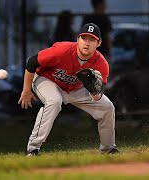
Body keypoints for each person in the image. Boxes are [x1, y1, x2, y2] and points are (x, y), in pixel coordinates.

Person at [18, 23, 119, 156]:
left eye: (92, 39)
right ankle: (32, 148)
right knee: (54, 101)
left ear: (99, 43)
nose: (87, 43)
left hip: (75, 89)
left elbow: (96, 96)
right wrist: (26, 90)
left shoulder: (101, 64)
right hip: (47, 80)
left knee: (107, 107)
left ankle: (108, 148)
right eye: (84, 38)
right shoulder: (62, 50)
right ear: (78, 39)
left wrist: (94, 92)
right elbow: (32, 62)